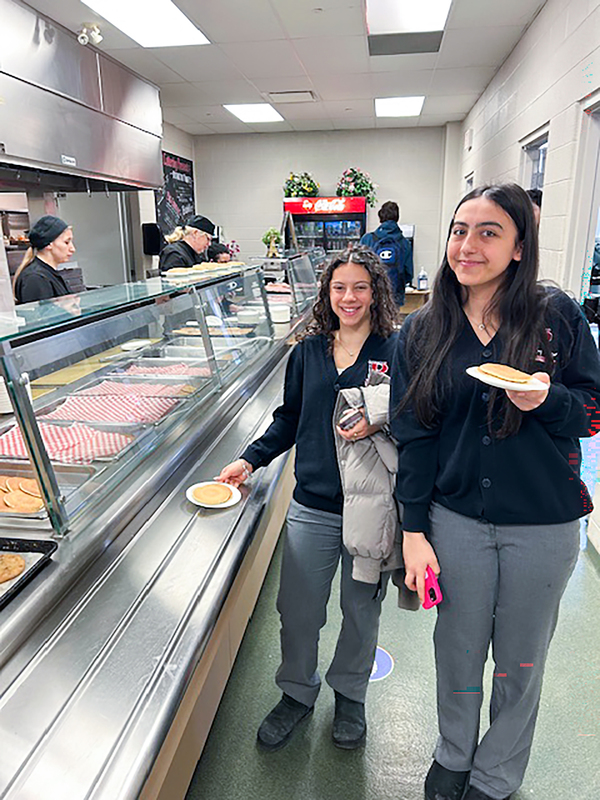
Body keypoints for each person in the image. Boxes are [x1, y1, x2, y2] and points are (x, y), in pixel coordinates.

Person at [391, 183, 600, 800]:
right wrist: (413, 532)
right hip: (454, 520)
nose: (468, 245)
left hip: (543, 522)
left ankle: (496, 773)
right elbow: (414, 437)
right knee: (456, 650)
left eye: (489, 233)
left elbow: (593, 411)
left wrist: (547, 400)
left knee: (519, 662)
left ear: (517, 248)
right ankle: (454, 754)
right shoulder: (422, 331)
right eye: (460, 230)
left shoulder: (555, 318)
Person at [216, 245, 401, 752]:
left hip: (372, 510)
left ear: (375, 292)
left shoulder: (396, 350)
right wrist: (250, 458)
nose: (349, 297)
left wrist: (379, 417)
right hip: (314, 505)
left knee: (361, 610)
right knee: (298, 610)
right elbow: (289, 419)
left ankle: (350, 696)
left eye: (360, 287)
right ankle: (296, 693)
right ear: (326, 293)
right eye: (339, 287)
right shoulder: (307, 352)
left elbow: (418, 419)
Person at [360, 200, 413, 307]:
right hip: (395, 297)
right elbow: (409, 273)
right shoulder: (405, 243)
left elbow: (358, 268)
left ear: (380, 217)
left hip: (371, 296)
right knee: (391, 322)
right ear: (397, 218)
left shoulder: (368, 239)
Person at [13, 215, 75, 304]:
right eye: (66, 242)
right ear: (49, 244)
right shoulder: (35, 278)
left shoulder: (48, 274)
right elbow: (43, 316)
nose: (72, 248)